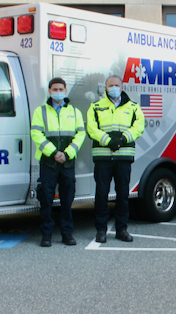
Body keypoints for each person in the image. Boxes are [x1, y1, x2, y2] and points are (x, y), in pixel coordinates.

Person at [87, 75, 145, 243]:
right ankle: (101, 230)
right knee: (101, 196)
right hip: (103, 158)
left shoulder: (133, 107)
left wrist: (122, 140)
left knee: (122, 196)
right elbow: (92, 128)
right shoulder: (96, 107)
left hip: (123, 158)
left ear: (122, 87)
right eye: (110, 85)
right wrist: (108, 141)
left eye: (116, 85)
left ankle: (122, 229)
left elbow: (139, 126)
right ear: (105, 88)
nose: (113, 87)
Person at [30, 77, 86, 247]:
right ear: (49, 91)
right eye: (55, 89)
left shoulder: (75, 112)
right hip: (48, 162)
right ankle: (46, 235)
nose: (58, 92)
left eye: (61, 89)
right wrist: (54, 153)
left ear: (65, 90)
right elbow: (36, 134)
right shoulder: (41, 111)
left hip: (67, 163)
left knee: (67, 199)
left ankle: (67, 234)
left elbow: (80, 134)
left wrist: (67, 154)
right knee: (46, 199)